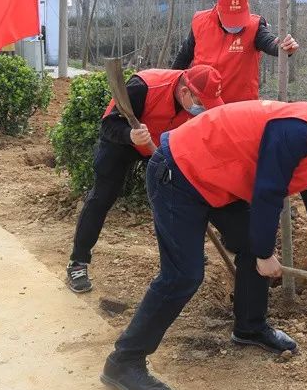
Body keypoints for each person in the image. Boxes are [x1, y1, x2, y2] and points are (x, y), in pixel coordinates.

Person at [100, 96, 307, 390]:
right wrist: (264, 255)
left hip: (216, 179)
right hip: (181, 172)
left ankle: (250, 327)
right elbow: (268, 192)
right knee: (184, 274)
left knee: (253, 244)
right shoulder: (302, 132)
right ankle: (124, 362)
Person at [65, 65, 225, 293]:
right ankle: (78, 262)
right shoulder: (144, 87)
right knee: (102, 197)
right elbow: (108, 124)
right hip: (123, 143)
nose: (204, 109)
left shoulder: (197, 106)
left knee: (184, 196)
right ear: (184, 92)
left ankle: (188, 253)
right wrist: (129, 135)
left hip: (162, 147)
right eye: (201, 102)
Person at [171, 0, 299, 103]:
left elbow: (270, 43)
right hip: (203, 102)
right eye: (230, 20)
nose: (234, 25)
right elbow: (184, 55)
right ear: (218, 9)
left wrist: (284, 47)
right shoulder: (200, 22)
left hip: (240, 106)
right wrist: (172, 84)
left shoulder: (255, 26)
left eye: (238, 19)